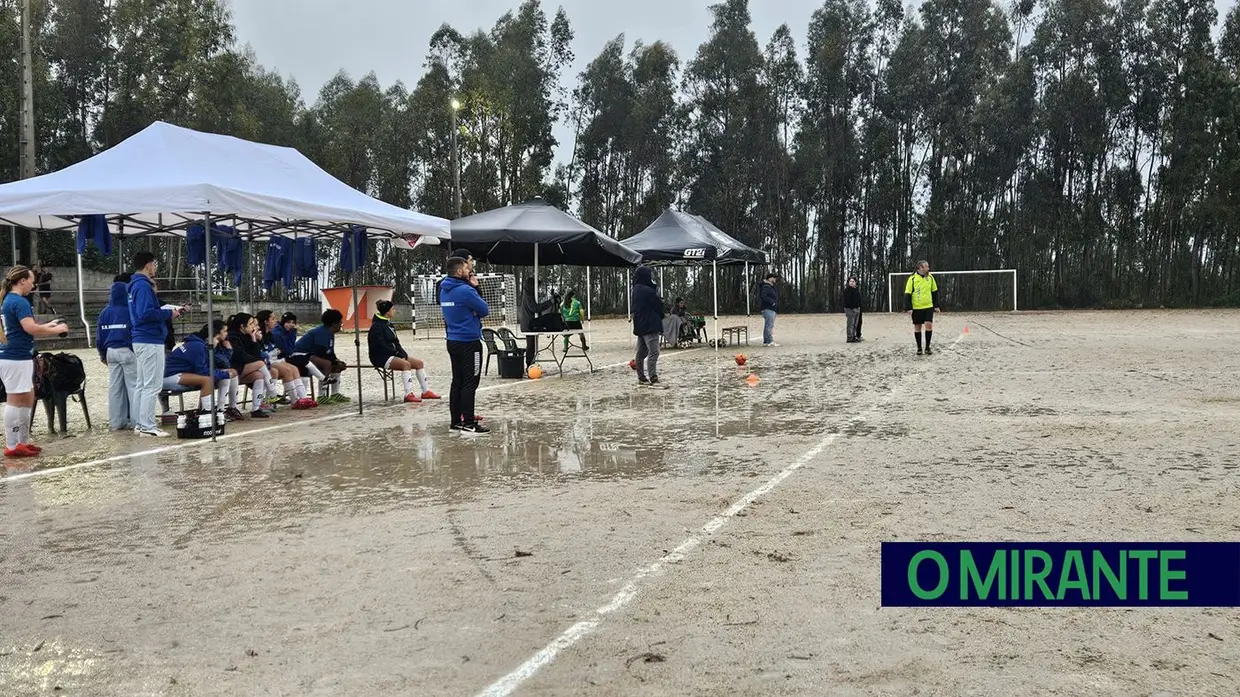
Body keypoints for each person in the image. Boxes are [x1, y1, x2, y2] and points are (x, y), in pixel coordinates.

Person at [0, 266, 67, 457]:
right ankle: (12, 445)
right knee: (15, 399)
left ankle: (22, 441)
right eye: (31, 280)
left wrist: (48, 325)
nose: (33, 284)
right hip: (14, 357)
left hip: (16, 356)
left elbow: (26, 327)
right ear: (22, 281)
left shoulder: (10, 300)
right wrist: (55, 329)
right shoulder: (18, 301)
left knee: (26, 397)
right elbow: (29, 328)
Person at [128, 252, 184, 437]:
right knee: (151, 385)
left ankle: (139, 424)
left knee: (143, 384)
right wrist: (169, 314)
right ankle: (147, 426)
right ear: (148, 265)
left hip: (142, 339)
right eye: (154, 264)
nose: (155, 267)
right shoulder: (143, 287)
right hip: (149, 339)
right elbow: (146, 314)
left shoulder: (134, 286)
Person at [440, 256, 489, 434]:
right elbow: (484, 309)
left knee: (457, 382)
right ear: (460, 271)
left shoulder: (443, 289)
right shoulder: (466, 291)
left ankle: (455, 422)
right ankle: (469, 423)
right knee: (470, 383)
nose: (470, 271)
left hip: (452, 340)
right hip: (469, 341)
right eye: (467, 268)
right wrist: (475, 287)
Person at [368, 299, 439, 403]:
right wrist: (396, 353)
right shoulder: (377, 326)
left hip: (392, 354)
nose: (395, 310)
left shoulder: (389, 324)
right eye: (393, 309)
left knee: (419, 363)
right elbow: (381, 346)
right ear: (387, 312)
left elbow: (396, 342)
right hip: (380, 357)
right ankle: (408, 394)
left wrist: (402, 353)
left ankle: (426, 392)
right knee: (406, 365)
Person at [164, 320, 234, 417]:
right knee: (208, 380)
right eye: (225, 331)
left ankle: (212, 410)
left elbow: (210, 366)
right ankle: (207, 413)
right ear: (216, 334)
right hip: (169, 376)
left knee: (216, 376)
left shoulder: (198, 343)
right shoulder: (198, 346)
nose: (227, 333)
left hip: (177, 373)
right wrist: (225, 374)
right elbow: (202, 371)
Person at [97, 273, 138, 431]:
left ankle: (116, 423)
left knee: (115, 389)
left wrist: (102, 354)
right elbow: (134, 331)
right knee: (134, 387)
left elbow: (99, 337)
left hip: (110, 352)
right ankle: (137, 422)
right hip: (127, 350)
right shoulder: (130, 310)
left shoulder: (105, 312)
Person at [256, 310, 315, 409]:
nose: (276, 321)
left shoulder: (270, 334)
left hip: (274, 360)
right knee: (287, 370)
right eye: (273, 318)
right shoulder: (271, 333)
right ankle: (294, 401)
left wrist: (292, 333)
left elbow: (287, 350)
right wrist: (274, 352)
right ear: (266, 321)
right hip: (266, 362)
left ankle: (302, 398)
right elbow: (263, 352)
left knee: (294, 369)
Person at [291, 309, 349, 404]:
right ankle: (322, 395)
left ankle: (335, 394)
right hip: (300, 354)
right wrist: (333, 361)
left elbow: (330, 352)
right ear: (334, 323)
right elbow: (321, 352)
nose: (341, 324)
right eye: (340, 322)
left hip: (311, 355)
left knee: (337, 365)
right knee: (326, 364)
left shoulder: (330, 333)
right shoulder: (321, 332)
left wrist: (337, 361)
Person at [227, 313, 273, 418]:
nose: (254, 326)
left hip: (241, 369)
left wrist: (253, 338)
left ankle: (256, 409)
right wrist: (257, 361)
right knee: (260, 363)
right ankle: (272, 391)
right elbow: (241, 357)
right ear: (242, 326)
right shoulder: (233, 337)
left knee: (259, 375)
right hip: (233, 369)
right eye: (251, 323)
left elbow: (256, 354)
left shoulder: (247, 336)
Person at [631, 266, 664, 388]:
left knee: (641, 353)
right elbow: (658, 304)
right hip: (650, 325)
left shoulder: (636, 289)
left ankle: (641, 378)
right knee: (654, 352)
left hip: (640, 325)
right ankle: (653, 379)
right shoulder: (647, 290)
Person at [904, 260, 941, 355]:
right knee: (917, 327)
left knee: (929, 325)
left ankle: (928, 347)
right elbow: (907, 294)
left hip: (928, 306)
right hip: (917, 307)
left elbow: (935, 292)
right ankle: (919, 347)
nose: (928, 268)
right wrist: (908, 307)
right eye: (926, 266)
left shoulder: (931, 278)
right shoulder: (912, 279)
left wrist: (936, 306)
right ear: (920, 268)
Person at [519, 277, 557, 367]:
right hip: (529, 325)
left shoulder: (528, 295)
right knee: (531, 345)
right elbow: (535, 308)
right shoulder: (527, 296)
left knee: (532, 345)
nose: (538, 289)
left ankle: (531, 363)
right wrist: (550, 303)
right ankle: (529, 364)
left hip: (530, 324)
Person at [759, 273, 780, 347]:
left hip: (771, 308)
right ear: (770, 278)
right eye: (774, 278)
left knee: (769, 325)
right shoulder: (766, 287)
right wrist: (772, 302)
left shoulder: (771, 287)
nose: (775, 279)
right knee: (769, 325)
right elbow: (764, 296)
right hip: (768, 308)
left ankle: (767, 341)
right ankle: (769, 341)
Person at [842, 277, 863, 343]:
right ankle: (849, 338)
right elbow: (847, 301)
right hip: (849, 309)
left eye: (853, 281)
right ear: (848, 282)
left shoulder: (856, 290)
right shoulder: (846, 291)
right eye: (850, 281)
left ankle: (854, 336)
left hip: (857, 309)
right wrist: (852, 307)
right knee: (850, 324)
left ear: (855, 282)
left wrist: (858, 307)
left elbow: (858, 300)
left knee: (855, 324)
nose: (852, 282)